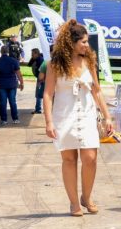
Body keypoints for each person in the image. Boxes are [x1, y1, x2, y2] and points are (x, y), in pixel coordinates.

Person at [44, 20, 113, 217]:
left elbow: (97, 91)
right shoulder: (54, 65)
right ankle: (74, 203)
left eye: (87, 41)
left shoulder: (89, 61)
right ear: (71, 42)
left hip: (87, 115)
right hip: (64, 116)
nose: (86, 45)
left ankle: (87, 197)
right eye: (83, 41)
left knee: (90, 158)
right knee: (69, 159)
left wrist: (107, 117)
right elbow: (48, 94)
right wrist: (48, 122)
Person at [0, 46, 23, 125]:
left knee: (3, 103)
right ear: (8, 52)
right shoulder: (14, 61)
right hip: (12, 84)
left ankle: (4, 120)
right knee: (13, 102)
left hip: (2, 84)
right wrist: (22, 83)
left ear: (1, 52)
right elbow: (18, 74)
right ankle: (15, 119)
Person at [28, 48, 44, 114]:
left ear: (36, 53)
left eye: (32, 54)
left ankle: (38, 109)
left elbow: (42, 71)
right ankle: (38, 109)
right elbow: (29, 64)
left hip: (41, 79)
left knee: (38, 94)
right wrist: (32, 58)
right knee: (40, 94)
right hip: (41, 78)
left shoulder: (40, 60)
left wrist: (40, 80)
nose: (32, 56)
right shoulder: (38, 59)